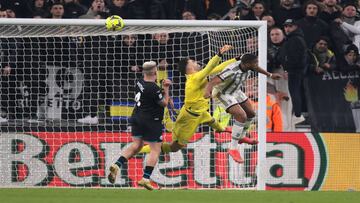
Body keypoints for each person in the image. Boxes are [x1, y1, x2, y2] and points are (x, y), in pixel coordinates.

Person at [139, 45, 233, 154]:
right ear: (189, 68)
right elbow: (210, 67)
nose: (196, 61)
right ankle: (138, 151)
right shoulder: (194, 78)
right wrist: (219, 54)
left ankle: (224, 130)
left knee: (213, 122)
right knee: (174, 148)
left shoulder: (199, 76)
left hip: (200, 112)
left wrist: (237, 60)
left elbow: (218, 67)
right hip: (190, 118)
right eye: (192, 61)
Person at [204, 53, 282, 163]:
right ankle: (233, 148)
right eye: (254, 63)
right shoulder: (231, 70)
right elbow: (212, 81)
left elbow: (256, 68)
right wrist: (207, 91)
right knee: (241, 116)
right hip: (223, 93)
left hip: (236, 91)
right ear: (246, 64)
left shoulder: (247, 63)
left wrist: (269, 75)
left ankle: (241, 137)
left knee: (251, 114)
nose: (256, 65)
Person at [108, 61, 171, 191]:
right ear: (155, 72)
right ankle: (145, 178)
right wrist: (166, 88)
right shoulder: (153, 88)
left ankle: (117, 164)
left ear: (143, 72)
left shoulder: (139, 82)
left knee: (137, 145)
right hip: (151, 121)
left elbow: (151, 95)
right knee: (155, 149)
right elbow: (164, 103)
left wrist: (160, 87)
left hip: (136, 118)